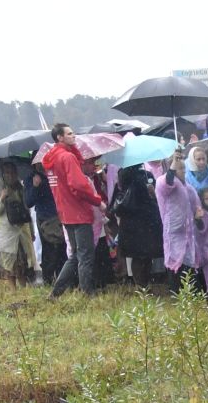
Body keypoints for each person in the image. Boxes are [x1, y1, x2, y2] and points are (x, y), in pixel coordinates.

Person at [45, 123, 106, 298]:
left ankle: (56, 293)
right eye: (70, 134)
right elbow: (78, 185)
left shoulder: (51, 159)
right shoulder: (68, 158)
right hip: (78, 212)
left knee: (75, 256)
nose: (74, 136)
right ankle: (88, 293)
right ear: (60, 137)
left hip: (65, 213)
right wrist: (98, 202)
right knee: (85, 255)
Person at [154, 150, 200, 292]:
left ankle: (192, 294)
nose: (183, 171)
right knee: (176, 264)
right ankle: (176, 293)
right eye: (180, 168)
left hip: (188, 232)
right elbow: (168, 182)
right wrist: (174, 163)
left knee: (189, 264)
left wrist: (198, 212)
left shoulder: (188, 186)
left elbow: (195, 203)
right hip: (174, 232)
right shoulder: (162, 181)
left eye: (183, 168)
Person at [111, 164, 164, 284]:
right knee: (145, 256)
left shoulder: (123, 175)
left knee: (138, 257)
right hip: (146, 222)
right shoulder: (144, 176)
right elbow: (153, 197)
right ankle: (144, 283)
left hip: (131, 222)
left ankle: (141, 285)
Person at [0, 173, 34, 282]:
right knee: (9, 264)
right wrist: (2, 198)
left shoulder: (20, 188)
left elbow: (26, 210)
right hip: (5, 233)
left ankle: (23, 288)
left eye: (12, 171)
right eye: (7, 172)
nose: (10, 175)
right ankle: (13, 290)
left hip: (21, 231)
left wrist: (31, 230)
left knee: (23, 262)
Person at [26, 161, 64, 284]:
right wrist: (35, 186)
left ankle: (62, 279)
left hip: (59, 215)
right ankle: (48, 280)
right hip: (45, 219)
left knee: (62, 249)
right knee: (49, 250)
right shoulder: (31, 178)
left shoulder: (53, 173)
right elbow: (29, 201)